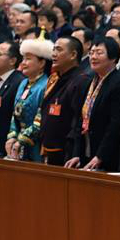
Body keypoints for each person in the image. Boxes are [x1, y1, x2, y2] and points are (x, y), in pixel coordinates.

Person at [64, 37, 120, 173]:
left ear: (113, 58)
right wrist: (77, 153)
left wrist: (100, 156)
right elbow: (80, 118)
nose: (93, 57)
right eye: (91, 53)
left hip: (108, 154)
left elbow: (116, 124)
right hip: (86, 149)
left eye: (99, 53)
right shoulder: (89, 81)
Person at [38, 36, 89, 166]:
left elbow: (77, 118)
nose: (54, 54)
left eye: (59, 50)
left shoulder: (81, 80)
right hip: (48, 146)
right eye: (53, 49)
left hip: (66, 150)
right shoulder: (55, 78)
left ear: (73, 54)